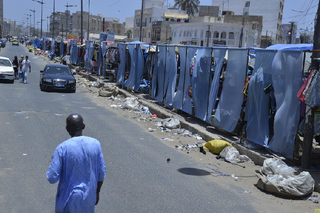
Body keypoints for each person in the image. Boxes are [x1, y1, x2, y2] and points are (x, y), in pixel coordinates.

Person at [46, 113, 106, 213]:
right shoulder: (95, 144)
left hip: (68, 199)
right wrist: (97, 192)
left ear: (67, 129)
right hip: (88, 197)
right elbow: (102, 172)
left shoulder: (62, 148)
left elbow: (52, 177)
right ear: (83, 126)